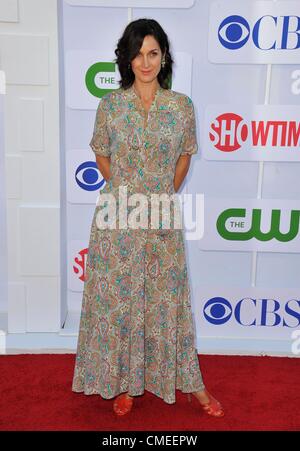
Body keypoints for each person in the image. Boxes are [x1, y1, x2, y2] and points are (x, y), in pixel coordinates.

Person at [72, 18, 224, 418]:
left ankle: (191, 384)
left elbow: (185, 153)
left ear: (163, 57)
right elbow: (101, 152)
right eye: (138, 54)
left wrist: (161, 191)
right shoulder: (111, 105)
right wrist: (125, 186)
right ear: (127, 58)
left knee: (165, 300)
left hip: (160, 215)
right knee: (120, 302)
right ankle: (125, 384)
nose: (145, 62)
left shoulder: (180, 106)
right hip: (117, 217)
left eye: (152, 53)